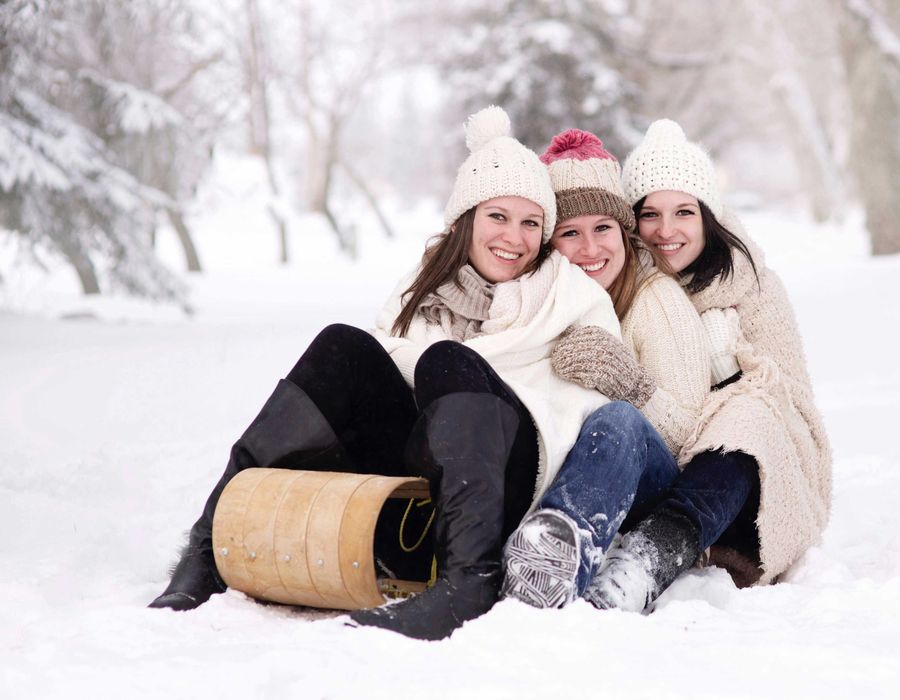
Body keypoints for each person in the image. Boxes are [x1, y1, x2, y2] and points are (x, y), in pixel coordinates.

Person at [149, 107, 619, 641]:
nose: (514, 237)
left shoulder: (571, 297)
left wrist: (461, 373)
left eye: (531, 222)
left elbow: (586, 416)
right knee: (342, 344)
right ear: (466, 218)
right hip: (421, 475)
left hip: (511, 479)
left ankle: (470, 580)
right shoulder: (422, 289)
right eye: (498, 216)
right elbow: (392, 372)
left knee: (449, 360)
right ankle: (207, 548)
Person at [581, 119, 834, 612]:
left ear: (707, 217)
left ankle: (647, 561)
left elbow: (793, 404)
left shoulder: (751, 286)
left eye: (683, 212)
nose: (666, 230)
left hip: (744, 478)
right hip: (657, 461)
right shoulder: (623, 283)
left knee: (751, 414)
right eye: (649, 214)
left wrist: (729, 371)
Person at [497, 129, 713, 608]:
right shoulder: (543, 300)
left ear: (623, 232)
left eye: (603, 229)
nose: (591, 248)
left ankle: (556, 552)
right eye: (570, 233)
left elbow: (692, 441)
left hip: (648, 488)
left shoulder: (655, 301)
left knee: (617, 421)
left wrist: (630, 385)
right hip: (561, 468)